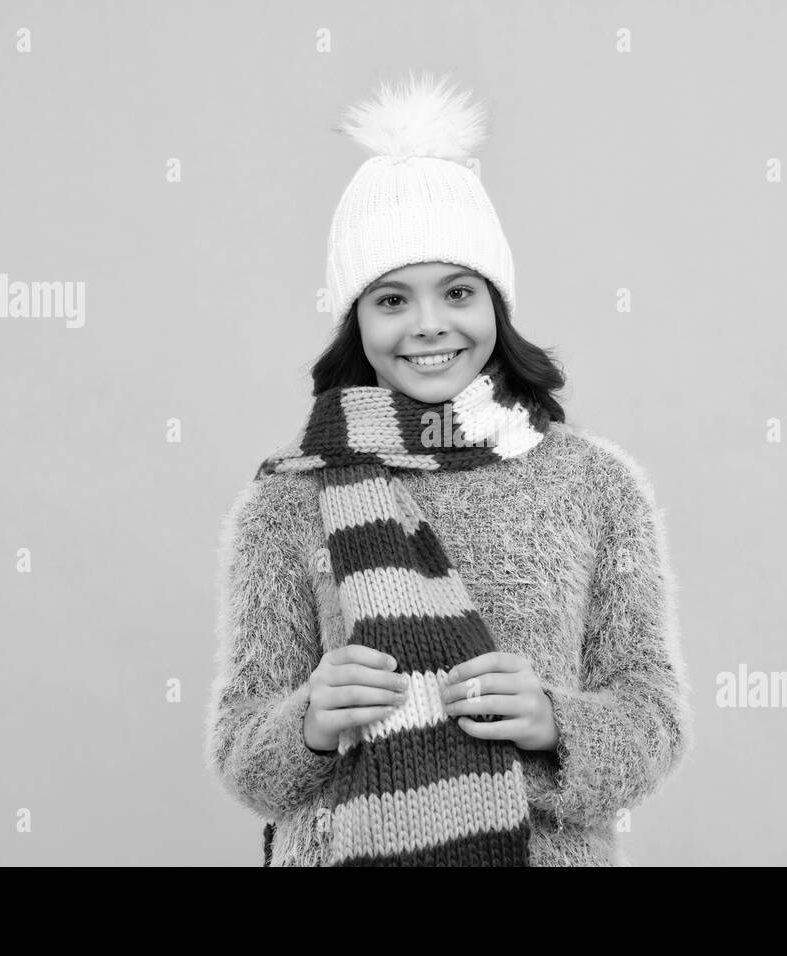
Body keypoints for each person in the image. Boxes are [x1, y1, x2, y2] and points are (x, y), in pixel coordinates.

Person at [204, 70, 693, 866]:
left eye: (457, 291)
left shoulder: (594, 485)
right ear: (354, 320)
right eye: (391, 299)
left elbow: (653, 717)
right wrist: (308, 722)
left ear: (494, 305)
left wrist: (555, 723)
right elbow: (242, 755)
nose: (429, 326)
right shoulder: (291, 497)